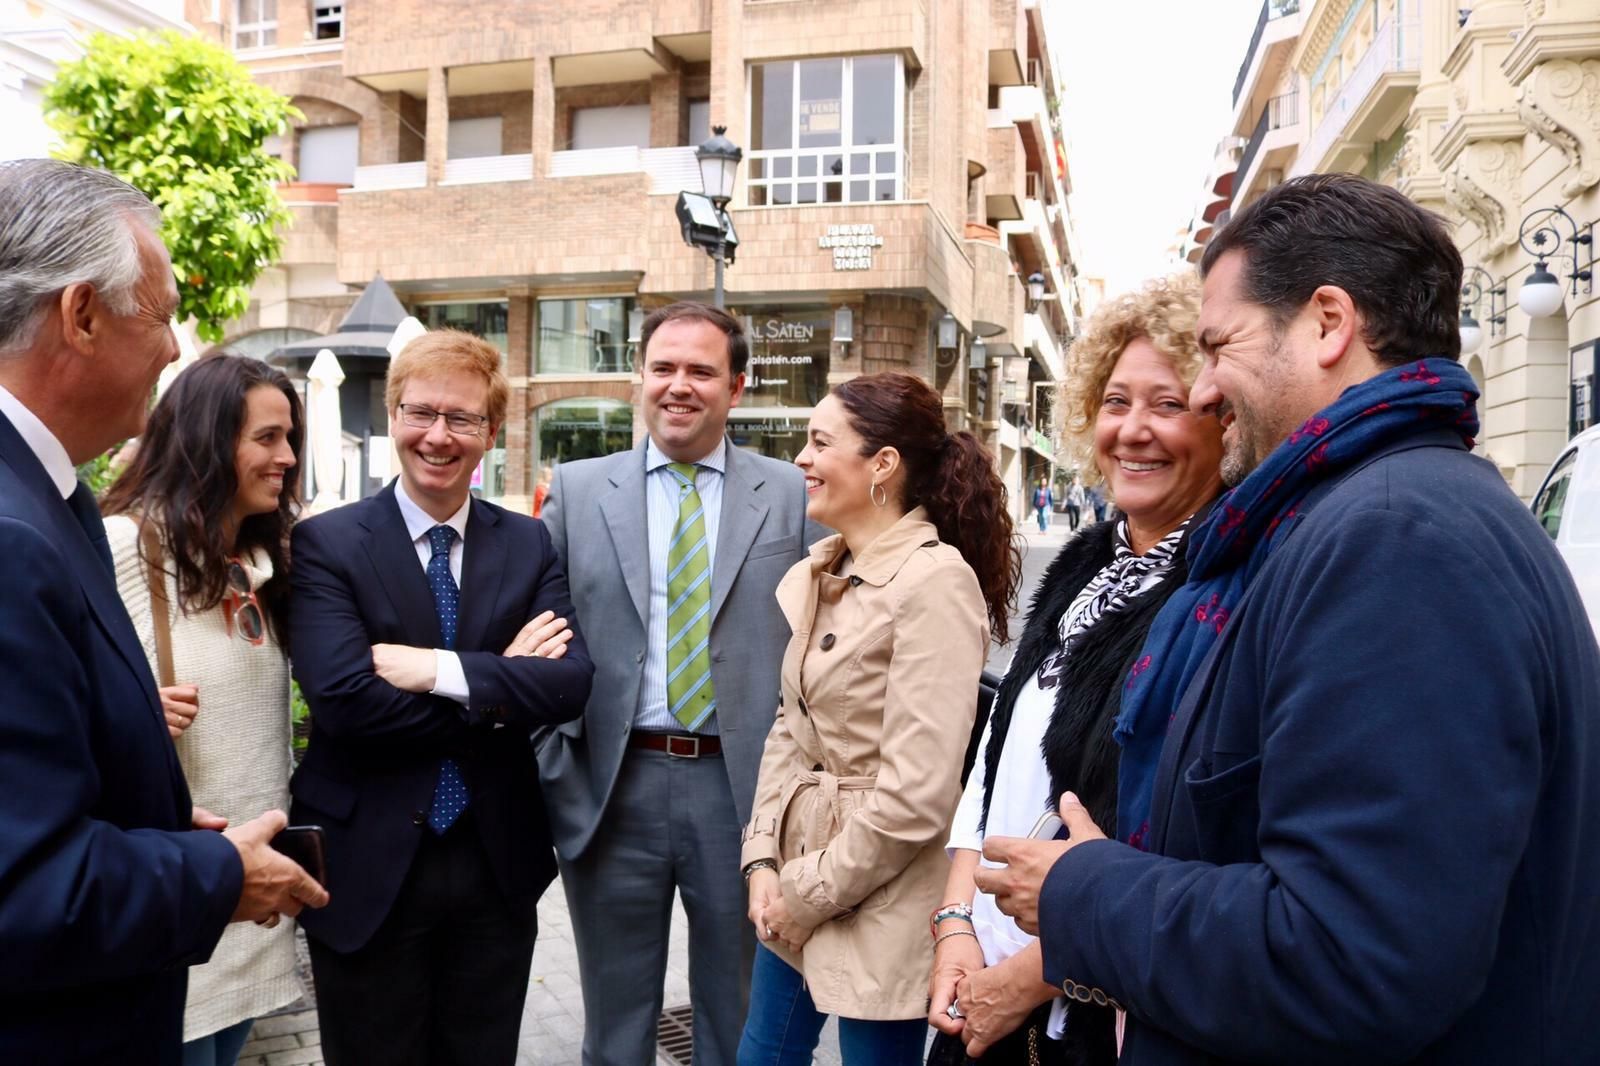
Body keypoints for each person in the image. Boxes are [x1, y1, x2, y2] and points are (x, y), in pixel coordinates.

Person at [975, 173, 1600, 1064]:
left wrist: (1088, 893)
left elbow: (1355, 955)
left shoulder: (1392, 541)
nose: (1201, 391)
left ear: (1329, 323)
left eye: (1219, 346)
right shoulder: (1369, 515)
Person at [0, 158, 325, 1066]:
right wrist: (216, 871)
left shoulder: (47, 500)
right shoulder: (16, 533)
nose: (177, 347)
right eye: (163, 311)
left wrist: (148, 814)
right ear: (82, 314)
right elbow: (25, 890)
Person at [928, 274, 1222, 1065]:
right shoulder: (1084, 567)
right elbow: (994, 765)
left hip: (1085, 1007)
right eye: (1116, 402)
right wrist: (955, 925)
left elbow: (1185, 848)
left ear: (1225, 418)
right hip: (980, 973)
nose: (1134, 430)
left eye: (1168, 404)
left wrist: (1035, 975)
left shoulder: (1222, 591)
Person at [288, 328, 594, 1066]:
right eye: (420, 412)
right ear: (393, 415)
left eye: (461, 419)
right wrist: (498, 683)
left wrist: (436, 669)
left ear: (490, 431)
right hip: (366, 862)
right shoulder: (328, 542)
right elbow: (345, 704)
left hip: (495, 863)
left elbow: (567, 683)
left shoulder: (527, 544)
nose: (438, 436)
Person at [537, 302, 816, 1065]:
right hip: (613, 786)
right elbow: (539, 636)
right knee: (615, 1028)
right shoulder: (579, 489)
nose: (679, 386)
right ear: (640, 377)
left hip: (747, 796)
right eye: (663, 368)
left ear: (738, 384)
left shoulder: (792, 496)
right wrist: (555, 761)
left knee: (740, 1021)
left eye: (701, 370)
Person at [737, 372, 1022, 1066]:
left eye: (819, 442)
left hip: (879, 896)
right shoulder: (824, 571)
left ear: (882, 465)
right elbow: (790, 731)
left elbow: (918, 794)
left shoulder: (935, 581)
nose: (801, 459)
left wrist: (804, 891)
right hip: (800, 878)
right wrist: (762, 860)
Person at [102, 354, 306, 1066]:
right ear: (206, 440)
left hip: (249, 905)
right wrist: (126, 718)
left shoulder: (262, 562)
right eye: (267, 438)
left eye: (289, 439)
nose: (286, 457)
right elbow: (52, 709)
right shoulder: (127, 546)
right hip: (174, 898)